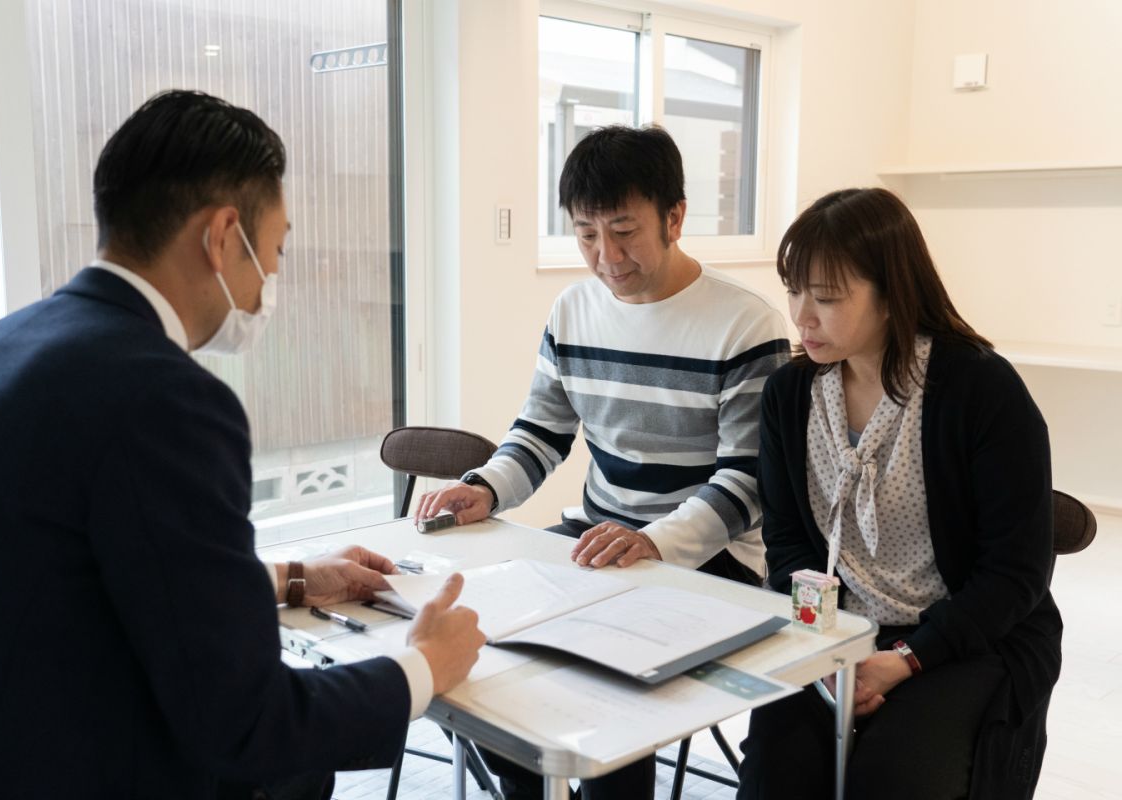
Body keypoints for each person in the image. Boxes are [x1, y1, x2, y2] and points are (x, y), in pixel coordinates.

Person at [0, 90, 485, 800]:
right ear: (223, 235)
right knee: (298, 762)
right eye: (273, 250)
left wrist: (291, 577)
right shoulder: (165, 397)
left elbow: (75, 583)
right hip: (78, 763)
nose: (271, 280)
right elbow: (245, 723)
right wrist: (423, 668)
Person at [417, 125, 790, 799]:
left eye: (623, 231)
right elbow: (541, 430)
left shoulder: (745, 326)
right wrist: (486, 489)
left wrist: (651, 541)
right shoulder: (573, 308)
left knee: (604, 689)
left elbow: (747, 482)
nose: (604, 255)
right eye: (585, 233)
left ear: (674, 217)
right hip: (598, 541)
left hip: (711, 558)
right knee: (470, 651)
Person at [737, 187, 1062, 799]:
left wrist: (905, 659)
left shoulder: (978, 390)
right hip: (835, 633)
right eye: (794, 290)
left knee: (890, 780)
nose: (803, 316)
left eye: (828, 297)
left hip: (963, 638)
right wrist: (821, 643)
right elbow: (784, 543)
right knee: (770, 781)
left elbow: (1015, 576)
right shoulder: (790, 395)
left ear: (890, 296)